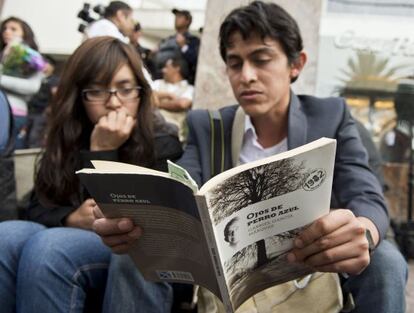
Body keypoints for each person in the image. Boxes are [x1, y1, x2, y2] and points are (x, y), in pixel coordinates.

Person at [93, 2, 408, 313]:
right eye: (235, 63)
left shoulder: (330, 116)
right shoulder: (208, 126)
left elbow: (366, 194)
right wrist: (137, 224)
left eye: (261, 59)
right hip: (226, 278)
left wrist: (362, 231)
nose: (247, 76)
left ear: (296, 64)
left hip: (309, 268)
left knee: (387, 261)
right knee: (134, 252)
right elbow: (185, 196)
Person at [0, 36, 182, 313]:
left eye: (125, 89)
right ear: (80, 97)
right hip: (68, 237)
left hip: (126, 254)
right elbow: (36, 207)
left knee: (50, 248)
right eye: (97, 91)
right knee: (6, 236)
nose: (113, 103)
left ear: (140, 93)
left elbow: (144, 225)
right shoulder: (68, 137)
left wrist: (102, 152)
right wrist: (70, 218)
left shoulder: (162, 141)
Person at [0, 17, 44, 149]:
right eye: (5, 29)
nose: (7, 32)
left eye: (13, 29)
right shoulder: (3, 53)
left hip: (14, 112)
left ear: (25, 33)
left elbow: (32, 87)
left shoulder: (32, 57)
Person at [153, 56, 194, 142]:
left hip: (172, 136)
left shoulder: (190, 89)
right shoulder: (157, 83)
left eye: (167, 67)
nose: (163, 70)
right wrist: (168, 95)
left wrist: (158, 103)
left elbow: (182, 104)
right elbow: (148, 96)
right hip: (151, 128)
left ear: (177, 68)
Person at [154, 8, 200, 84]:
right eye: (176, 16)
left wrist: (184, 47)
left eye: (180, 17)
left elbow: (196, 60)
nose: (176, 19)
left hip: (180, 84)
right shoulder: (167, 40)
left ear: (187, 21)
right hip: (161, 81)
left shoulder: (193, 40)